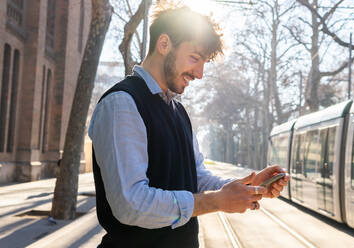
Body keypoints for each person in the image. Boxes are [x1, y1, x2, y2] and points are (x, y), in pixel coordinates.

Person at [89, 3, 289, 248]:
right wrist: (215, 202)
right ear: (164, 44)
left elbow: (195, 178)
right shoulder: (122, 104)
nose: (200, 73)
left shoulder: (179, 111)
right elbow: (132, 204)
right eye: (195, 58)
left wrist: (250, 185)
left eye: (203, 61)